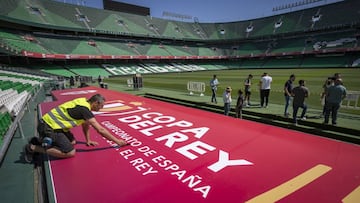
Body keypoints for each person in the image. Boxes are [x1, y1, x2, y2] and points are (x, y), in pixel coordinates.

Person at [24, 94, 128, 163]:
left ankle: (39, 141)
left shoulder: (83, 102)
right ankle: (32, 148)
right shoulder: (84, 110)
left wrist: (88, 140)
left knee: (73, 141)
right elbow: (100, 130)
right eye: (101, 106)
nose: (101, 108)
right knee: (70, 152)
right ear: (95, 103)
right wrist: (117, 141)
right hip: (49, 127)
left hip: (51, 124)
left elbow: (85, 124)